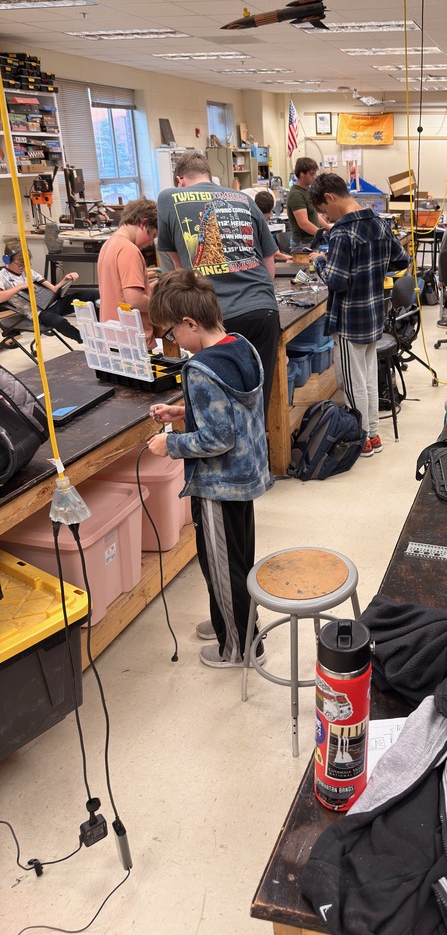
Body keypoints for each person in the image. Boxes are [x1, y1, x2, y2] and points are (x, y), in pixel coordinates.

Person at [146, 271, 271, 669]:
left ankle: (236, 648)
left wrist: (171, 444)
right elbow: (233, 409)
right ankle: (230, 621)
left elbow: (218, 440)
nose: (172, 342)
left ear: (190, 324)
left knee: (220, 564)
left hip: (218, 486)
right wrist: (184, 411)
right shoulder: (240, 346)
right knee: (238, 559)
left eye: (171, 334)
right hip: (245, 478)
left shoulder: (200, 368)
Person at [156, 151, 279, 421]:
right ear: (210, 176)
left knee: (215, 409)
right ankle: (257, 459)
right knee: (256, 403)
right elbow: (269, 266)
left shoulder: (168, 197)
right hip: (262, 310)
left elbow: (179, 272)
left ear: (180, 180)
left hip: (211, 319)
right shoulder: (244, 198)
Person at [306, 172, 410, 457]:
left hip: (350, 320)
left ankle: (361, 439)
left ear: (329, 198)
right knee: (367, 379)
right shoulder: (379, 222)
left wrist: (320, 262)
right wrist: (372, 269)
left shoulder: (341, 233)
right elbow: (402, 259)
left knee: (352, 384)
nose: (326, 216)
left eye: (324, 210)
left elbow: (337, 282)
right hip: (375, 313)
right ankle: (372, 435)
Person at [0, 242, 98, 344]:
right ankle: (89, 342)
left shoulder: (29, 271)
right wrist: (21, 286)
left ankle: (103, 330)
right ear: (7, 260)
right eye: (20, 265)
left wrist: (65, 280)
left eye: (26, 263)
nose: (23, 267)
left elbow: (54, 289)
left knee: (91, 294)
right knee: (60, 322)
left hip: (52, 304)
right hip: (38, 313)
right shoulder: (3, 276)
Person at [97, 196, 159, 349]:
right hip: (133, 342)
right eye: (152, 236)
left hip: (113, 337)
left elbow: (118, 291)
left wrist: (147, 287)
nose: (151, 243)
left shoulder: (109, 244)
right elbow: (134, 300)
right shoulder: (129, 250)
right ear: (144, 224)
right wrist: (161, 306)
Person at [286, 157, 326, 248]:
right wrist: (322, 235)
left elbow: (315, 214)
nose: (314, 177)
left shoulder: (307, 190)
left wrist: (329, 228)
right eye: (311, 174)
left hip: (312, 240)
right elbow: (303, 223)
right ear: (302, 174)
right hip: (303, 244)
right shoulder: (296, 194)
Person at [252, 190, 292, 262]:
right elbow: (275, 254)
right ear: (271, 210)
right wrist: (291, 258)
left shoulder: (250, 223)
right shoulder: (262, 227)